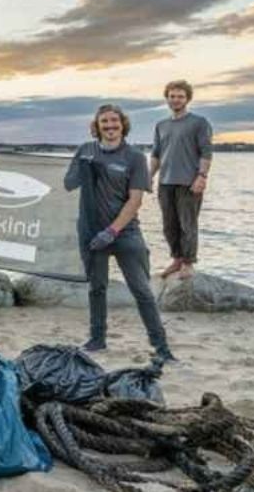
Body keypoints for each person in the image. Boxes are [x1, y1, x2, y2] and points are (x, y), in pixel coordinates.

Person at [64, 104, 175, 364]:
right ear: (97, 125)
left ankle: (161, 347)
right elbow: (68, 185)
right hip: (90, 232)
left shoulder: (134, 157)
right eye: (104, 122)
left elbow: (135, 200)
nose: (110, 126)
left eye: (114, 121)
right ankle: (97, 339)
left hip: (125, 233)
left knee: (142, 291)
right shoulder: (85, 150)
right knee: (97, 287)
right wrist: (84, 168)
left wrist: (112, 231)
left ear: (123, 124)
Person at [150, 80, 213, 280]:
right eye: (172, 96)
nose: (176, 99)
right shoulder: (161, 125)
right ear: (167, 98)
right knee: (169, 225)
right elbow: (156, 154)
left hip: (189, 182)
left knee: (188, 224)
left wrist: (201, 176)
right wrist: (148, 177)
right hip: (165, 182)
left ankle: (188, 263)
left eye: (180, 96)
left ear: (187, 99)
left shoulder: (199, 123)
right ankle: (176, 259)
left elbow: (206, 152)